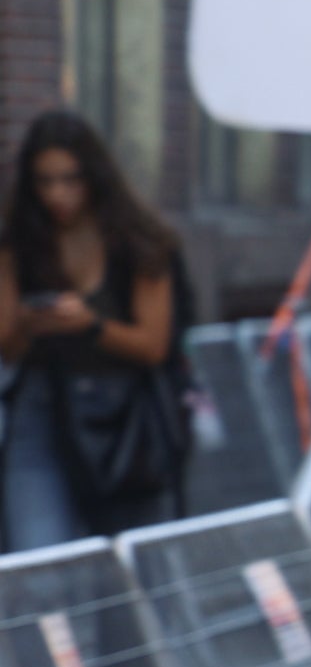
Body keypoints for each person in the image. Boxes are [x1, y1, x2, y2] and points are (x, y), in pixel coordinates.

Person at [1, 110, 190, 548]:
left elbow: (153, 346)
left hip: (124, 415)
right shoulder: (19, 241)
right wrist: (30, 322)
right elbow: (7, 348)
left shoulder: (139, 239)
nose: (58, 194)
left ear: (95, 176)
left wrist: (90, 326)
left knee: (132, 565)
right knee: (41, 558)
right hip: (43, 408)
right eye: (45, 181)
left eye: (70, 179)